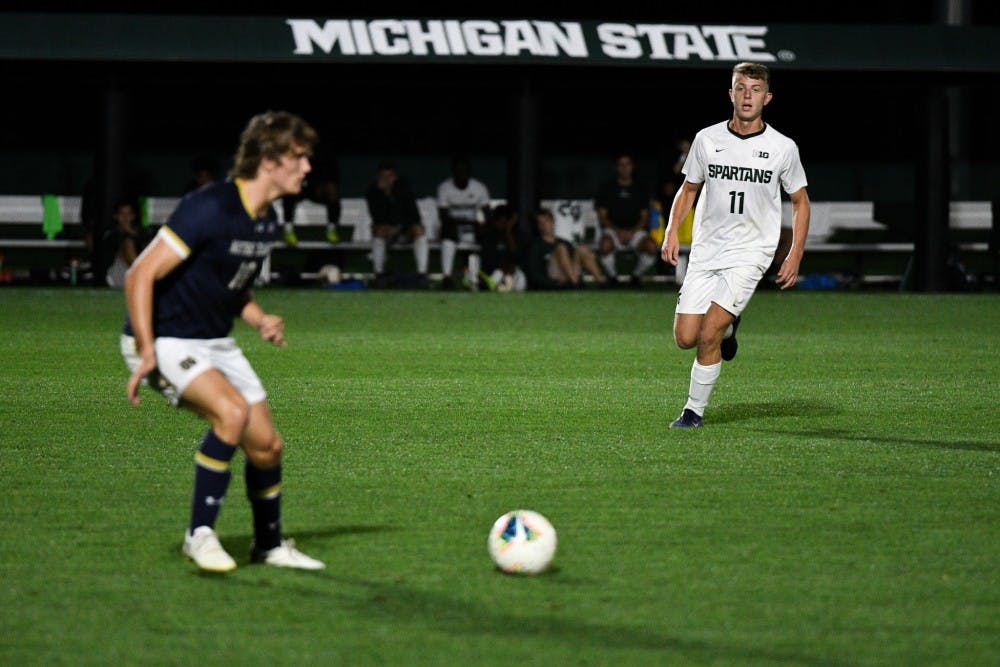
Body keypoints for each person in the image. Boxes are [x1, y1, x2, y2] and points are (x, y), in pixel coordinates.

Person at [121, 110, 326, 572]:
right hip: (166, 337)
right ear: (270, 160)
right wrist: (146, 348)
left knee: (267, 446)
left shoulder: (266, 219)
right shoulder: (210, 206)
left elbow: (230, 287)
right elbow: (140, 274)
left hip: (213, 340)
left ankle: (269, 545)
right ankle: (200, 535)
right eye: (299, 157)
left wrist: (258, 319)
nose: (307, 167)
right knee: (231, 413)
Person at [661, 62, 810, 428]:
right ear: (730, 93)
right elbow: (689, 189)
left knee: (707, 333)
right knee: (685, 338)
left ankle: (693, 412)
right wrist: (670, 231)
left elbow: (800, 201)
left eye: (755, 90)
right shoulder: (707, 139)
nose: (747, 96)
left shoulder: (782, 148)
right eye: (741, 88)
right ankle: (731, 327)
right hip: (707, 250)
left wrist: (795, 254)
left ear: (768, 98)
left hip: (751, 253)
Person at [595, 152, 659, 287]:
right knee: (605, 245)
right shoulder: (607, 188)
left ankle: (635, 278)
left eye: (627, 164)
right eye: (621, 165)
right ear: (616, 167)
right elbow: (602, 216)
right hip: (613, 231)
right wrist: (617, 231)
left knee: (651, 247)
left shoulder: (640, 189)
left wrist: (631, 232)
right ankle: (613, 279)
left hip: (635, 232)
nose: (624, 168)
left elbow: (645, 217)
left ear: (632, 167)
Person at [365, 161, 429, 286]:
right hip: (387, 232)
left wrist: (399, 228)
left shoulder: (404, 189)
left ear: (395, 177)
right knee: (378, 230)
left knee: (418, 229)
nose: (387, 180)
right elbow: (377, 218)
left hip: (404, 230)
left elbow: (414, 216)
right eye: (383, 177)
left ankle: (422, 275)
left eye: (389, 176)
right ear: (378, 177)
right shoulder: (372, 192)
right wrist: (384, 194)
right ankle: (379, 274)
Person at [436, 156, 491, 289]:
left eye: (464, 171)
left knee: (486, 234)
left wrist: (480, 224)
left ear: (469, 172)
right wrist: (462, 223)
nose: (461, 174)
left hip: (472, 228)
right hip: (452, 229)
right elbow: (444, 216)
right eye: (458, 171)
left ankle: (479, 276)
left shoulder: (479, 188)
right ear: (453, 172)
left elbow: (487, 213)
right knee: (448, 234)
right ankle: (447, 277)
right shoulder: (444, 188)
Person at [528, 208, 606, 289]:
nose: (544, 225)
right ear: (538, 226)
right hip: (553, 279)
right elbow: (534, 273)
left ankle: (601, 283)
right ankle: (575, 284)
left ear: (552, 222)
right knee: (560, 248)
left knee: (582, 248)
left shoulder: (564, 242)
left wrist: (588, 257)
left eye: (547, 221)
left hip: (568, 275)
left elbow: (576, 261)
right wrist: (553, 283)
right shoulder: (536, 245)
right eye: (541, 223)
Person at [103, 199, 144, 288]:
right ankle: (142, 278)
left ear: (133, 216)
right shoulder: (111, 234)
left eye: (129, 214)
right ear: (115, 216)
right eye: (122, 214)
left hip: (140, 269)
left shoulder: (142, 233)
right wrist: (130, 234)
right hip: (117, 273)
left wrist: (133, 234)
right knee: (128, 243)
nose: (125, 217)